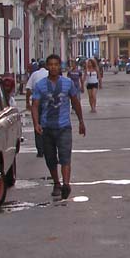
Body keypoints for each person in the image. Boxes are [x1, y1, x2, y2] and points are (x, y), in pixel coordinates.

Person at [30, 54, 86, 200]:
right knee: (50, 158)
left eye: (56, 64)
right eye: (51, 64)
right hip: (47, 127)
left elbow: (75, 102)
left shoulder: (67, 83)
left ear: (60, 66)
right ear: (47, 66)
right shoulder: (40, 85)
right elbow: (35, 106)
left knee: (65, 156)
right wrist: (36, 123)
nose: (53, 67)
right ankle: (56, 182)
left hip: (64, 127)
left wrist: (81, 121)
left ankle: (66, 184)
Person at [24, 60, 49, 157]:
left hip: (37, 102)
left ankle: (40, 150)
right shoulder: (49, 73)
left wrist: (27, 102)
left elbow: (28, 89)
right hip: (48, 102)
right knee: (48, 125)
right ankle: (48, 148)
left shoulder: (34, 75)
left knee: (37, 124)